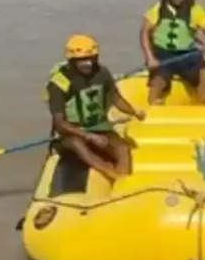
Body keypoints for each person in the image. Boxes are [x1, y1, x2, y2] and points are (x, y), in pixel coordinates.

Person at [47, 34, 145, 181]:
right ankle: (109, 172)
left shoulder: (102, 73)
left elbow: (115, 98)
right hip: (72, 133)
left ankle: (123, 181)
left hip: (100, 127)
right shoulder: (59, 83)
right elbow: (60, 124)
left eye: (91, 59)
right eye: (82, 60)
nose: (88, 64)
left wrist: (134, 112)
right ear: (72, 61)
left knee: (123, 148)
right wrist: (89, 136)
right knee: (78, 145)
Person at [140, 0, 205, 105]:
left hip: (187, 55)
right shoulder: (158, 9)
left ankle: (201, 108)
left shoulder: (196, 10)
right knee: (158, 81)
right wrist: (150, 58)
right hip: (162, 54)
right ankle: (153, 107)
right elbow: (144, 32)